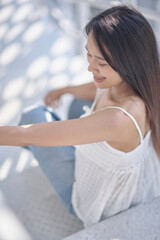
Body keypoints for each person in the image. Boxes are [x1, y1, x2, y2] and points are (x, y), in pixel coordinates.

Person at [0, 5, 160, 228]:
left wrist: (37, 137)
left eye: (101, 63)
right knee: (77, 103)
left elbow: (26, 133)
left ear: (129, 64)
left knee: (33, 116)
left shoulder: (119, 119)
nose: (89, 66)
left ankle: (53, 143)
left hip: (98, 204)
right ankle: (60, 136)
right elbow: (96, 89)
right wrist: (64, 89)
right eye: (88, 53)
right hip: (122, 176)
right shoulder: (140, 82)